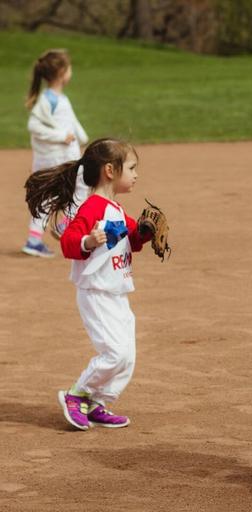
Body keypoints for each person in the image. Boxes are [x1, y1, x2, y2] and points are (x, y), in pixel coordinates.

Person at [24, 138, 151, 430]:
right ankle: (76, 394)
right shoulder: (92, 208)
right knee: (114, 353)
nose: (135, 174)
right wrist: (88, 240)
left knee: (127, 356)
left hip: (116, 292)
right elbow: (69, 242)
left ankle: (97, 403)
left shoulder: (116, 209)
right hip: (95, 292)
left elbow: (132, 239)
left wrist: (144, 232)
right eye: (131, 168)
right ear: (110, 170)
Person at [23, 48, 89, 257]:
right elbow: (35, 126)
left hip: (58, 156)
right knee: (82, 186)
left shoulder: (58, 98)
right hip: (60, 157)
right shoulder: (48, 100)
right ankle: (65, 225)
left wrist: (82, 135)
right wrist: (62, 136)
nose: (71, 72)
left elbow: (71, 121)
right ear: (62, 73)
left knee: (46, 198)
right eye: (68, 68)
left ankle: (34, 239)